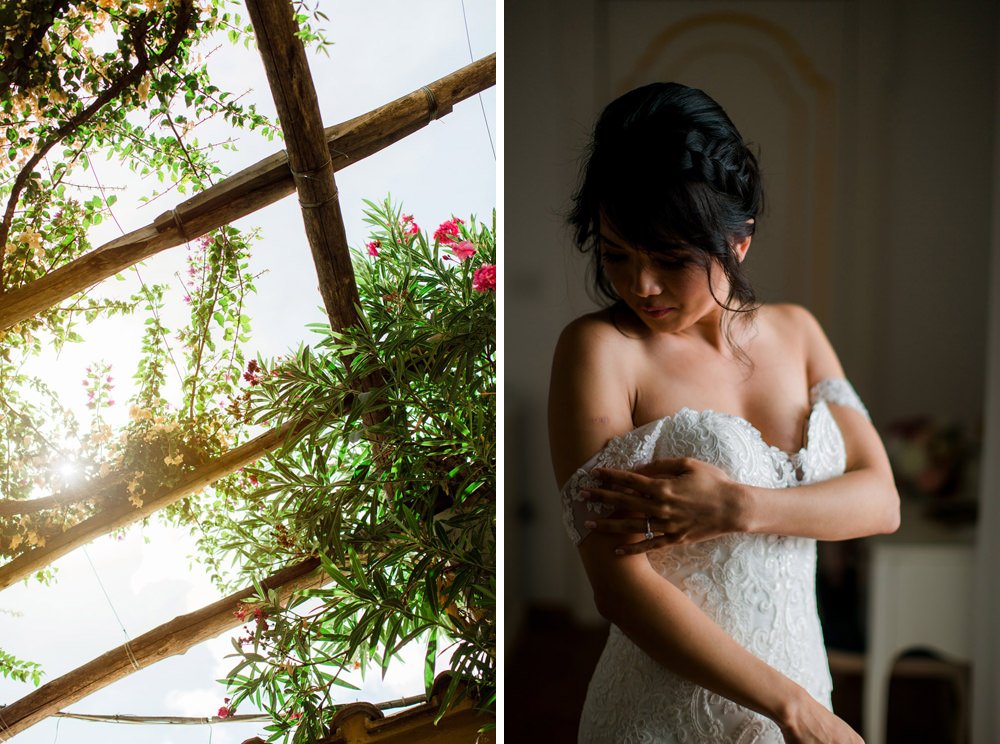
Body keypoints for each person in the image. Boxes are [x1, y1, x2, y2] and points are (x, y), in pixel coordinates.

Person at [547, 82, 900, 743]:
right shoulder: (600, 351)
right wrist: (792, 709)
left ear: (739, 243)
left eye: (671, 260)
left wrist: (737, 508)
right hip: (667, 712)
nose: (640, 285)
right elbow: (616, 587)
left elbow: (881, 502)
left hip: (803, 683)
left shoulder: (799, 333)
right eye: (616, 254)